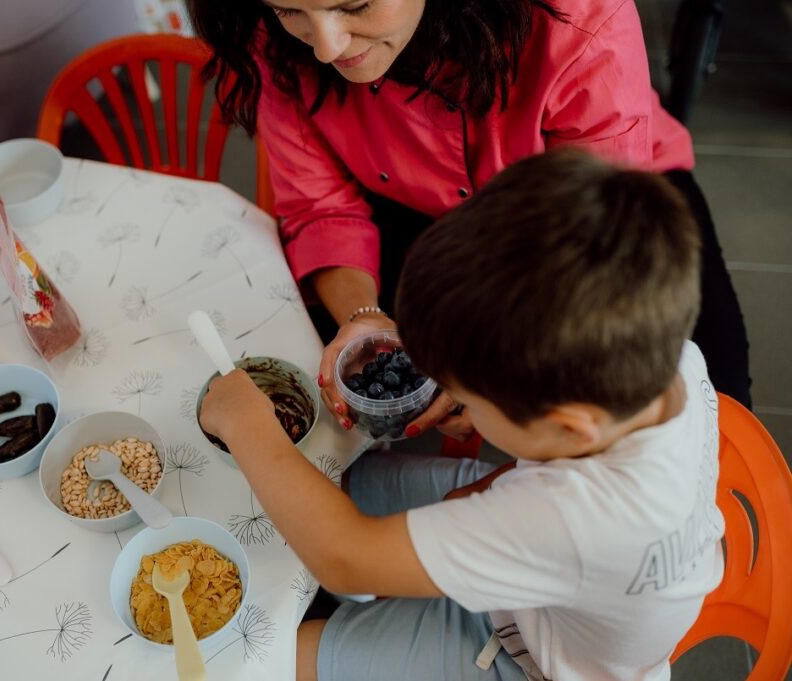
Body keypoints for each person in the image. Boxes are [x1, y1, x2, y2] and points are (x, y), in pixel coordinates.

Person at [198, 149, 725, 681]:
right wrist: (484, 489)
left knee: (272, 658)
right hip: (552, 578)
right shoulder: (673, 361)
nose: (452, 402)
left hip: (529, 659)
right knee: (340, 483)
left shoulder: (572, 520)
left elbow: (343, 555)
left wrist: (247, 424)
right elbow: (560, 489)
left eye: (467, 396)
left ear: (566, 424)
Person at [188, 0, 752, 434]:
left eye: (355, 6)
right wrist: (363, 314)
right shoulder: (268, 33)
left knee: (715, 404)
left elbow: (588, 243)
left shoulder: (578, 20)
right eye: (291, 11)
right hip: (408, 204)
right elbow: (321, 207)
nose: (326, 47)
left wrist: (485, 366)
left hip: (599, 209)